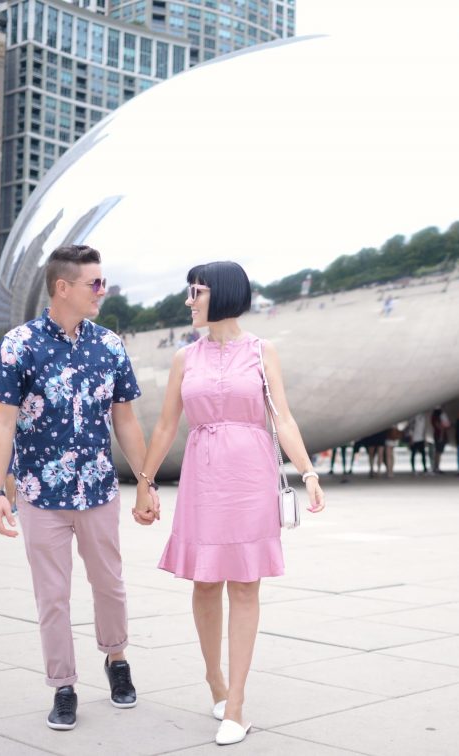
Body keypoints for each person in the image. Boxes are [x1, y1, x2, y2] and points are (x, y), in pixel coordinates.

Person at [134, 260, 325, 747]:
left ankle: (236, 702)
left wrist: (308, 472)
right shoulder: (185, 358)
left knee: (244, 587)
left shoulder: (263, 352)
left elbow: (282, 417)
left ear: (219, 294)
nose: (189, 301)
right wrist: (145, 481)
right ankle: (214, 680)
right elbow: (164, 426)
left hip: (250, 478)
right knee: (203, 585)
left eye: (195, 292)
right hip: (203, 477)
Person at [0, 245, 150, 732]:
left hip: (99, 490)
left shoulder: (110, 346)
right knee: (52, 596)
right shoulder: (19, 344)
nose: (103, 291)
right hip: (39, 494)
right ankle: (63, 685)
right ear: (63, 288)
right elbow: (3, 422)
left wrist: (144, 483)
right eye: (94, 283)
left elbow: (126, 419)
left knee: (110, 585)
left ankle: (116, 660)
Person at [431, 407, 451, 473]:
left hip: (438, 436)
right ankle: (436, 467)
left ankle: (436, 467)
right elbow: (442, 427)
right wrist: (441, 437)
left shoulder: (434, 418)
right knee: (438, 453)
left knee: (437, 452)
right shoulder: (438, 417)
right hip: (440, 437)